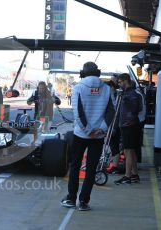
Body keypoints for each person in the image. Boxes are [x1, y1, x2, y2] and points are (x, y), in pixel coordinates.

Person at [61, 62, 115, 211]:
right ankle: (83, 201)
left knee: (75, 166)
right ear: (98, 73)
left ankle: (71, 198)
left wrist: (88, 130)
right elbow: (111, 111)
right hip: (98, 136)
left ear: (82, 73)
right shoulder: (107, 88)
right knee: (91, 169)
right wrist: (101, 129)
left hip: (81, 134)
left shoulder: (78, 87)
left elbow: (78, 113)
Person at [114, 73, 143, 185]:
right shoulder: (126, 93)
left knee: (128, 151)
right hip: (126, 125)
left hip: (130, 126)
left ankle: (127, 176)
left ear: (125, 80)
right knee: (131, 150)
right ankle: (135, 174)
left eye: (120, 82)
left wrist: (126, 101)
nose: (119, 84)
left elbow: (137, 109)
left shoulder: (133, 94)